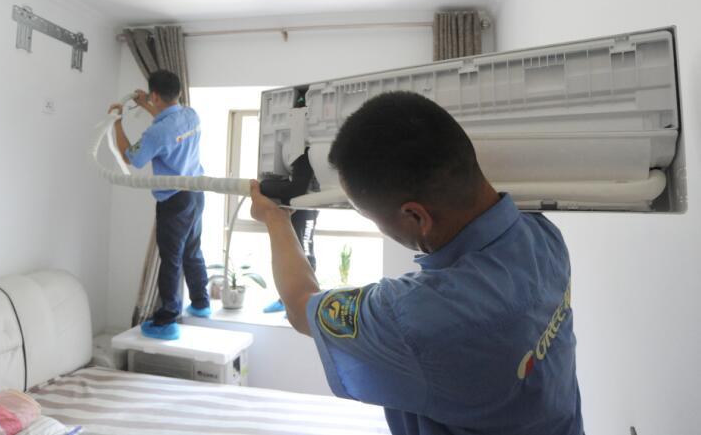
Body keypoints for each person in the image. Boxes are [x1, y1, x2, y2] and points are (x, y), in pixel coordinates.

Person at [249, 91, 583, 435]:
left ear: (416, 216)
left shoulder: (416, 317)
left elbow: (299, 304)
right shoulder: (542, 235)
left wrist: (275, 218)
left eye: (371, 218)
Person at [108, 70, 210, 340]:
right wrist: (146, 104)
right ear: (177, 92)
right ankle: (201, 303)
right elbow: (169, 125)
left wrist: (117, 122)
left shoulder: (156, 132)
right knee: (192, 249)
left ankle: (167, 321)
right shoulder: (190, 114)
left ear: (155, 95)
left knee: (171, 258)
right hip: (196, 192)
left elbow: (131, 158)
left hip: (175, 200)